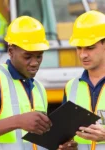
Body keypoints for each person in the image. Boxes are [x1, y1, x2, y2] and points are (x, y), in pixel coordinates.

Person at [0, 16, 77, 150]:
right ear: (11, 51)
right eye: (27, 56)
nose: (34, 63)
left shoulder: (38, 88)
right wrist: (18, 121)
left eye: (39, 56)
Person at [62, 10, 105, 150]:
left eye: (90, 48)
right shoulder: (71, 87)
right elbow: (65, 134)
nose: (82, 55)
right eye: (79, 48)